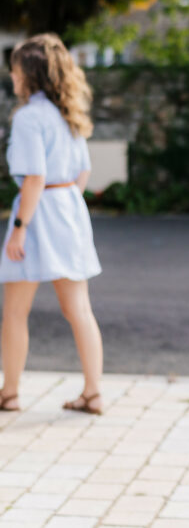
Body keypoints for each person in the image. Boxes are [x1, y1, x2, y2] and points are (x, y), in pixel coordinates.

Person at [0, 33, 104, 414]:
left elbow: (33, 178)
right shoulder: (69, 114)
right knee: (78, 308)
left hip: (37, 212)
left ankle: (9, 393)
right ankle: (94, 392)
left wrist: (20, 227)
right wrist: (66, 203)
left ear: (29, 74)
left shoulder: (29, 117)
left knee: (14, 310)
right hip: (67, 209)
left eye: (14, 71)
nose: (11, 78)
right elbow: (83, 171)